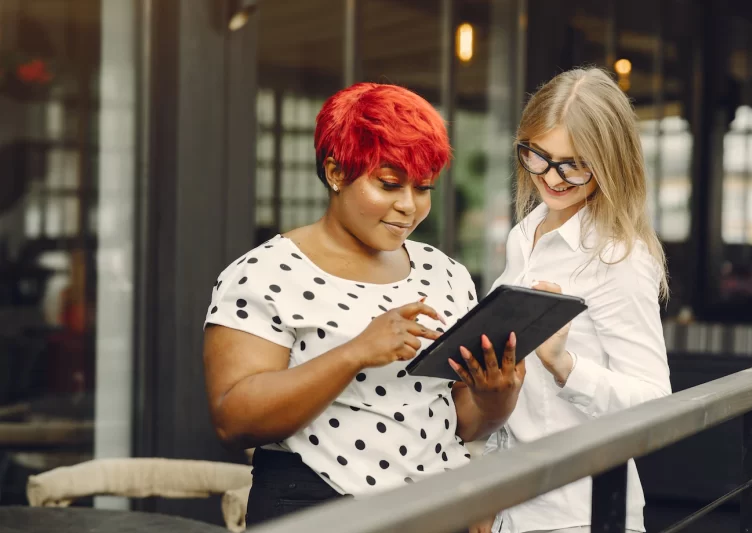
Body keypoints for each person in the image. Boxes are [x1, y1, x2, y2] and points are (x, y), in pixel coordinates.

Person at [202, 82, 526, 527]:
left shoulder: (446, 274)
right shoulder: (265, 273)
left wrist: (496, 399)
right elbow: (233, 420)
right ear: (336, 172)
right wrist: (356, 352)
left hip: (441, 508)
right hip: (318, 505)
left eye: (424, 188)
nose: (408, 207)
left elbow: (459, 422)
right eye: (390, 184)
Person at [478, 67, 672, 533]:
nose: (553, 177)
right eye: (538, 156)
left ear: (611, 163)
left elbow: (656, 406)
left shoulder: (616, 257)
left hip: (576, 516)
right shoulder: (526, 234)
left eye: (575, 163)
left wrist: (564, 363)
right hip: (508, 505)